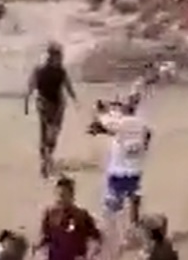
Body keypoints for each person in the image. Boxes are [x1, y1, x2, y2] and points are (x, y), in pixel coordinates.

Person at [89, 98, 153, 233]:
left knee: (112, 207)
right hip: (135, 170)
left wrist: (99, 109)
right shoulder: (142, 124)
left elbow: (100, 122)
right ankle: (133, 228)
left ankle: (111, 233)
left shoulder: (120, 122)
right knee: (133, 198)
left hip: (118, 171)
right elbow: (146, 138)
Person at [26, 43, 79, 178]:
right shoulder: (41, 70)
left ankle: (47, 159)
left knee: (51, 134)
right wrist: (27, 101)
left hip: (57, 105)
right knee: (47, 133)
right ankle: (45, 163)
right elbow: (31, 86)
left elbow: (68, 86)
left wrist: (75, 99)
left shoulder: (60, 71)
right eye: (59, 55)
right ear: (51, 56)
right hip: (45, 104)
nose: (61, 58)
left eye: (61, 56)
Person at [37, 176, 102, 260]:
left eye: (63, 195)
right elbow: (43, 240)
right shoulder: (50, 215)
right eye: (57, 195)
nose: (59, 199)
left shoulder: (81, 216)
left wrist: (90, 255)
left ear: (71, 196)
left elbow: (96, 239)